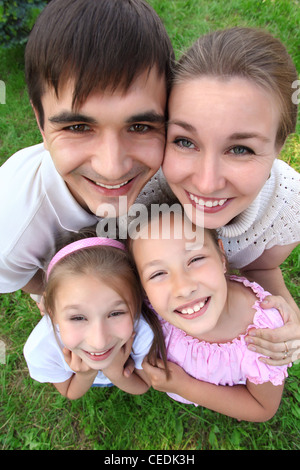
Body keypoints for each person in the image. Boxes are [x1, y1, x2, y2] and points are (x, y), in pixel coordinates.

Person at [0, 0, 173, 296]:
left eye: (140, 126)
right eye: (78, 127)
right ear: (40, 123)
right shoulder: (12, 230)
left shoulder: (179, 167)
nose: (112, 167)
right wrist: (51, 294)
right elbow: (15, 277)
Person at [162, 27, 300, 364]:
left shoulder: (288, 205)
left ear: (279, 146)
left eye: (240, 148)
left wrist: (288, 314)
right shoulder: (141, 190)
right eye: (184, 141)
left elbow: (262, 267)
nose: (207, 184)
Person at [130, 207, 291, 422]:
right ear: (141, 286)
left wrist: (184, 386)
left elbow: (262, 408)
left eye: (195, 259)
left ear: (221, 256)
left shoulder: (266, 336)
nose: (184, 288)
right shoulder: (149, 306)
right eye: (158, 273)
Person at [23, 232, 167, 400]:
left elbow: (142, 384)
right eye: (77, 317)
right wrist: (85, 375)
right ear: (51, 310)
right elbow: (70, 391)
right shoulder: (41, 350)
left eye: (115, 313)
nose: (99, 343)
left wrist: (115, 372)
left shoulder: (144, 333)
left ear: (137, 302)